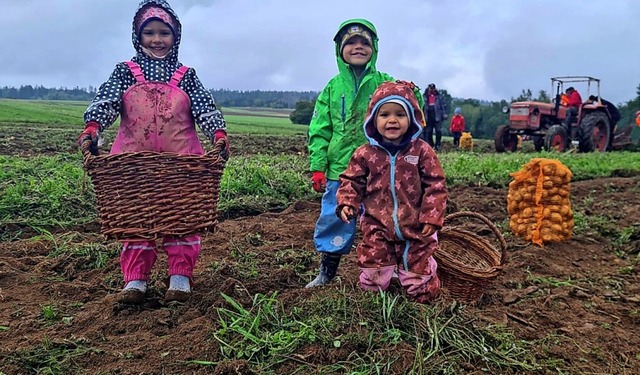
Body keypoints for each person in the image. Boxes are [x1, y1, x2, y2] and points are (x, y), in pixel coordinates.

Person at [77, 0, 229, 304]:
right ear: (138, 36)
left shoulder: (186, 75)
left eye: (164, 33)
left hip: (182, 160)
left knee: (183, 219)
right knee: (135, 221)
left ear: (176, 38)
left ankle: (180, 276)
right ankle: (135, 281)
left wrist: (219, 134)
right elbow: (106, 103)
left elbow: (205, 109)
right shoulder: (124, 72)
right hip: (133, 161)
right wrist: (93, 128)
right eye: (149, 33)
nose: (157, 39)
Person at [306, 19, 423, 288]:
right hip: (340, 169)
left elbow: (408, 115)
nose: (358, 47)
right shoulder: (332, 88)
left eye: (364, 43)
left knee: (385, 219)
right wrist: (318, 166)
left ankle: (388, 268)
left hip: (380, 169)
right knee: (335, 217)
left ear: (375, 48)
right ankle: (328, 271)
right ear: (339, 50)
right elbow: (320, 129)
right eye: (350, 43)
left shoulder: (386, 83)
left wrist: (411, 92)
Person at [336, 81, 447, 302]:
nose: (392, 120)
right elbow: (352, 180)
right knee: (374, 265)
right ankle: (373, 297)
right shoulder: (365, 153)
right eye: (384, 114)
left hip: (415, 225)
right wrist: (348, 202)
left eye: (400, 114)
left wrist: (431, 217)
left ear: (412, 118)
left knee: (418, 267)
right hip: (377, 223)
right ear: (373, 120)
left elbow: (436, 185)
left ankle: (421, 297)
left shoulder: (422, 151)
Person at [421, 83, 447, 151]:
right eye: (430, 88)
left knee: (438, 131)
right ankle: (430, 145)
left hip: (437, 115)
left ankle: (438, 145)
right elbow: (422, 106)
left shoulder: (439, 96)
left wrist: (444, 114)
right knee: (428, 132)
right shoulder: (424, 96)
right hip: (428, 116)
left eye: (433, 88)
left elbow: (443, 106)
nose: (432, 90)